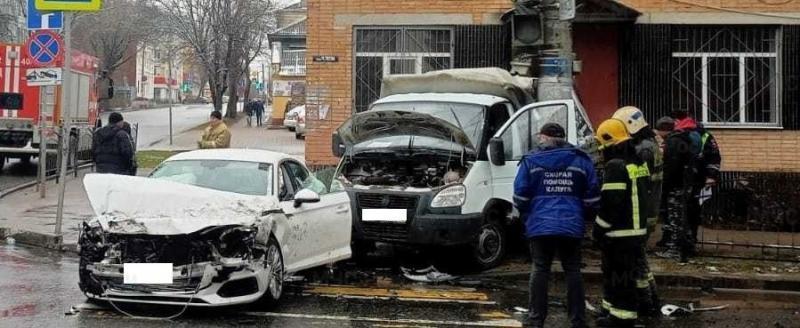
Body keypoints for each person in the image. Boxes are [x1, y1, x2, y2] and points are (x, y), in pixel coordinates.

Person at [514, 123, 599, 328]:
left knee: (540, 268)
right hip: (571, 224)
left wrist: (528, 214)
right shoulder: (581, 160)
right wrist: (583, 215)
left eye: (540, 136)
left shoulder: (531, 161)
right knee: (572, 270)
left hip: (540, 224)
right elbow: (593, 195)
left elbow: (519, 195)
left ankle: (536, 319)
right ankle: (578, 320)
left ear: (544, 138)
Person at [592, 119, 651, 328]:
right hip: (636, 232)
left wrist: (598, 230)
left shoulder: (616, 166)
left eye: (602, 147)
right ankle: (610, 309)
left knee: (620, 278)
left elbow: (611, 203)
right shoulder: (638, 163)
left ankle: (622, 318)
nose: (601, 152)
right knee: (616, 275)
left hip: (620, 234)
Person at [612, 107, 662, 315]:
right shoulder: (651, 145)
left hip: (641, 211)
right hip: (649, 209)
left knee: (638, 262)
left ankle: (647, 304)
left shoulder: (643, 149)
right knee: (641, 258)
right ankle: (652, 298)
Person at [674, 110, 721, 253]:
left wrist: (711, 175)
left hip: (696, 179)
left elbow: (714, 156)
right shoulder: (678, 135)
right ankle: (680, 240)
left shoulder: (703, 135)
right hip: (681, 179)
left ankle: (689, 240)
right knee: (680, 210)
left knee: (691, 209)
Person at [654, 117, 695, 263]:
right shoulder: (683, 139)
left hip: (676, 186)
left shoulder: (673, 142)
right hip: (684, 184)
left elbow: (671, 167)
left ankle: (675, 250)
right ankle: (687, 247)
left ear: (663, 129)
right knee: (682, 217)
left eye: (658, 130)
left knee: (675, 218)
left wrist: (665, 185)